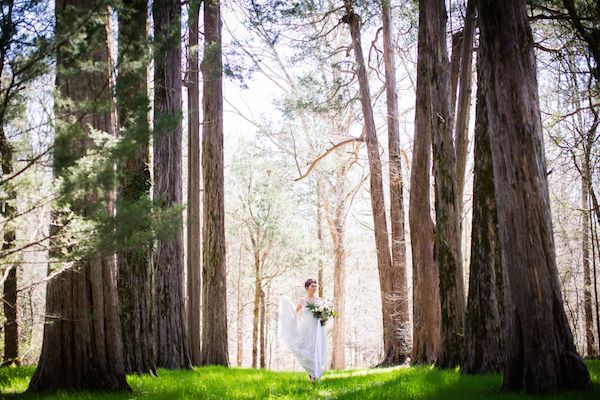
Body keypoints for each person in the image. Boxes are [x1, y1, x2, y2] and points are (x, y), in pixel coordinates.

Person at [278, 278, 328, 384]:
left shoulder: (320, 300)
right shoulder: (302, 301)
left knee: (316, 349)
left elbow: (324, 314)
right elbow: (295, 312)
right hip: (305, 328)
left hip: (317, 328)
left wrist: (324, 316)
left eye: (315, 286)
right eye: (312, 286)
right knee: (306, 349)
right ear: (306, 288)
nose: (314, 288)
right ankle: (311, 375)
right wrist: (290, 323)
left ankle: (315, 375)